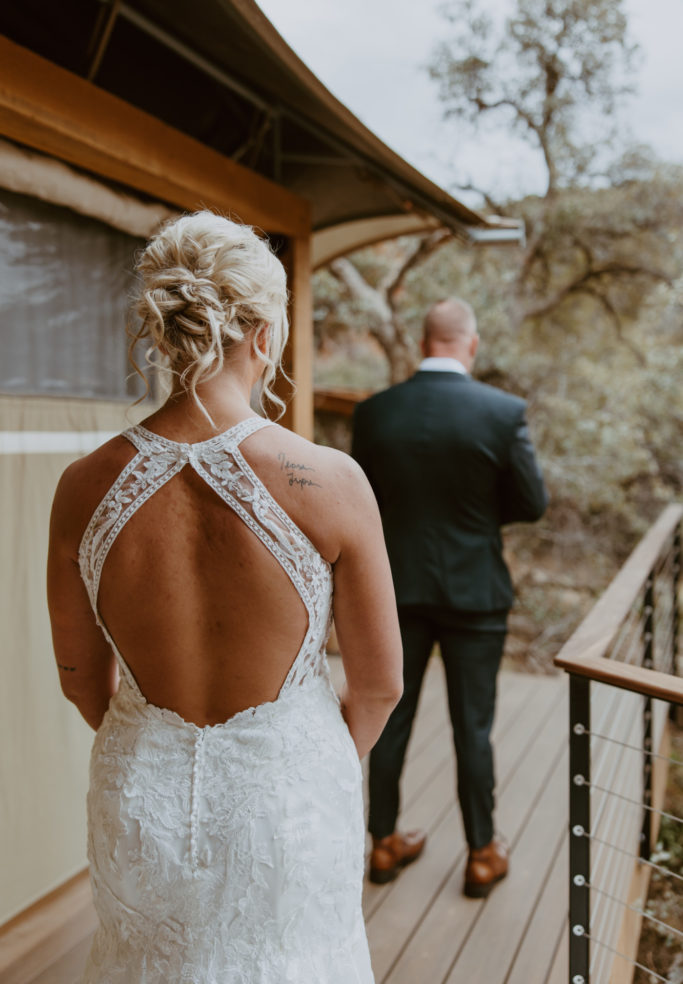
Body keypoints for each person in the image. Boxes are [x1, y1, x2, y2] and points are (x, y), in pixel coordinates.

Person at [47, 211, 403, 983]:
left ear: (165, 330)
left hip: (139, 797)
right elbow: (378, 685)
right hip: (290, 802)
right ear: (264, 336)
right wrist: (300, 763)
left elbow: (80, 679)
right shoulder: (331, 483)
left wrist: (154, 744)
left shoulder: (82, 488)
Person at [352, 297, 547, 898]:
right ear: (472, 343)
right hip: (476, 595)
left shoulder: (375, 413)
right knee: (474, 727)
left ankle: (382, 842)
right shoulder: (502, 411)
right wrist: (479, 517)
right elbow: (532, 502)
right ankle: (483, 855)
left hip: (398, 589)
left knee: (390, 720)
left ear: (421, 342)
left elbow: (364, 501)